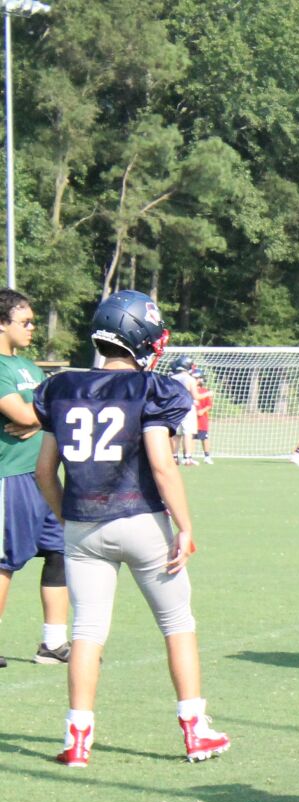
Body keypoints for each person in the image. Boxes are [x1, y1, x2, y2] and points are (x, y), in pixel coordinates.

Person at [32, 290, 229, 766]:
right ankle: (194, 730)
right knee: (178, 623)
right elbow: (162, 466)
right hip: (141, 519)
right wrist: (184, 525)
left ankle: (77, 739)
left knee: (87, 630)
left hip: (83, 526)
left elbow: (43, 471)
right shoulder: (151, 388)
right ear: (142, 338)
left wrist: (66, 516)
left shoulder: (61, 386)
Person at [0, 288, 69, 667]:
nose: (31, 328)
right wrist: (38, 416)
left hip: (43, 477)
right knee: (5, 560)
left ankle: (53, 644)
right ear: (1, 323)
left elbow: (48, 409)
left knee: (60, 551)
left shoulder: (28, 366)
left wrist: (39, 416)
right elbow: (25, 416)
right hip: (9, 478)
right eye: (24, 322)